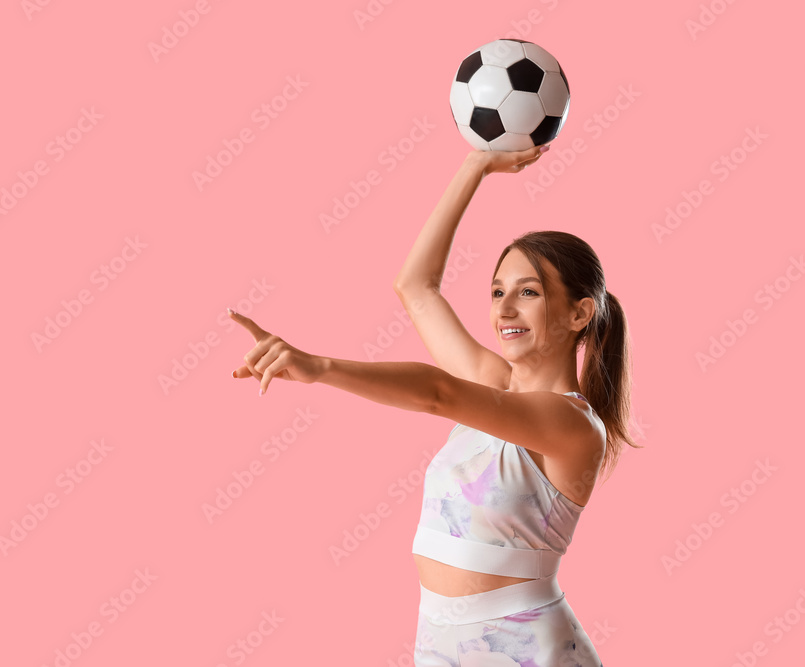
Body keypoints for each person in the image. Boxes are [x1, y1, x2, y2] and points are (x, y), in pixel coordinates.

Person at [227, 144, 639, 666]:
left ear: (580, 314)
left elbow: (437, 393)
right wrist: (476, 166)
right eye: (496, 292)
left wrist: (321, 368)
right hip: (440, 642)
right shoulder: (497, 384)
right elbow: (415, 288)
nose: (505, 308)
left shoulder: (572, 424)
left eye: (528, 292)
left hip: (526, 650)